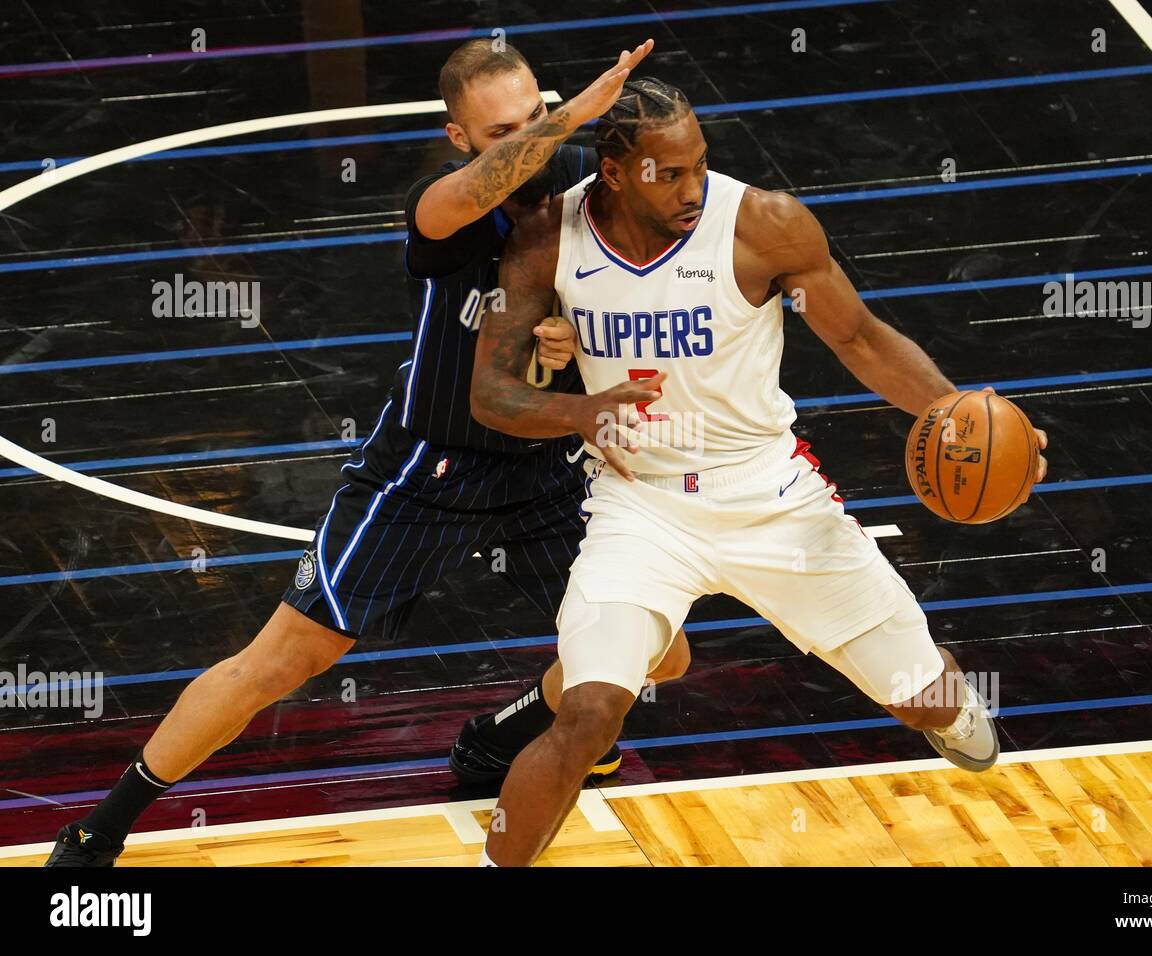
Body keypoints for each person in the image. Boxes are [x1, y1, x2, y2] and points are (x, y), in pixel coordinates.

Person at [44, 39, 689, 868]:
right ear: (459, 138)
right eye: (502, 131)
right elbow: (473, 197)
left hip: (543, 462)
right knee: (283, 660)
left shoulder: (586, 190)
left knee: (659, 652)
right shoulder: (443, 205)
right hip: (431, 466)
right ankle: (105, 822)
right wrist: (566, 121)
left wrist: (576, 343)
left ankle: (502, 733)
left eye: (536, 116)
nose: (531, 139)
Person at [468, 77, 1050, 866]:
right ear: (613, 174)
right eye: (667, 174)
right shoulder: (549, 234)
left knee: (925, 703)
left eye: (699, 166)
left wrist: (960, 418)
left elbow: (863, 341)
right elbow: (491, 392)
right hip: (639, 510)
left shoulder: (763, 225)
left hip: (771, 495)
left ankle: (944, 704)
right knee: (589, 710)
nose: (691, 189)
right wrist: (583, 414)